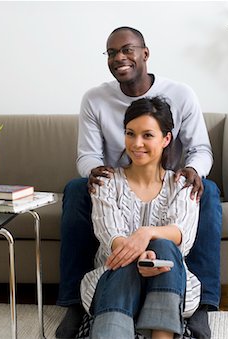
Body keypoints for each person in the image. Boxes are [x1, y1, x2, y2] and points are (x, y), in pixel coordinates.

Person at [56, 26, 222, 339]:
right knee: (78, 188)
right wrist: (100, 176)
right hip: (117, 182)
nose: (119, 57)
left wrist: (192, 173)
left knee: (206, 190)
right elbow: (86, 156)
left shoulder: (181, 94)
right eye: (111, 53)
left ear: (144, 54)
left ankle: (202, 304)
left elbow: (201, 149)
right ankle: (75, 302)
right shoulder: (95, 99)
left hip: (170, 178)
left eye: (127, 50)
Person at [81, 96, 200, 338]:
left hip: (169, 283)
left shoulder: (182, 185)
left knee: (165, 246)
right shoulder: (105, 182)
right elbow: (110, 237)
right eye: (130, 133)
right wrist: (138, 255)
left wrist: (146, 233)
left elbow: (182, 236)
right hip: (114, 278)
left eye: (147, 135)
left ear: (166, 139)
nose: (137, 143)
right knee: (123, 262)